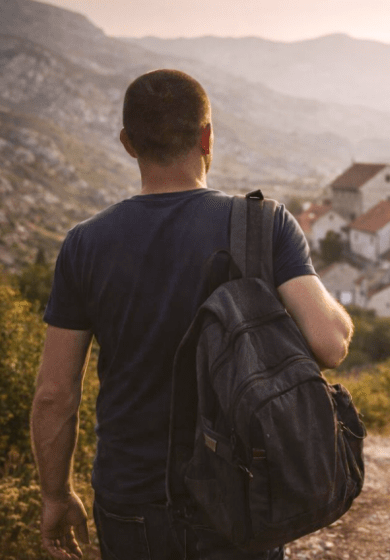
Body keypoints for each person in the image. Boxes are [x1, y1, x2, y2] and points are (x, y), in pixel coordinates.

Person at [30, 69, 354, 560]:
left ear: (127, 144)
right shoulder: (263, 223)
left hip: (131, 500)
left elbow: (54, 395)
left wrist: (56, 496)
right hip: (241, 489)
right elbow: (332, 344)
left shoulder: (85, 244)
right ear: (207, 137)